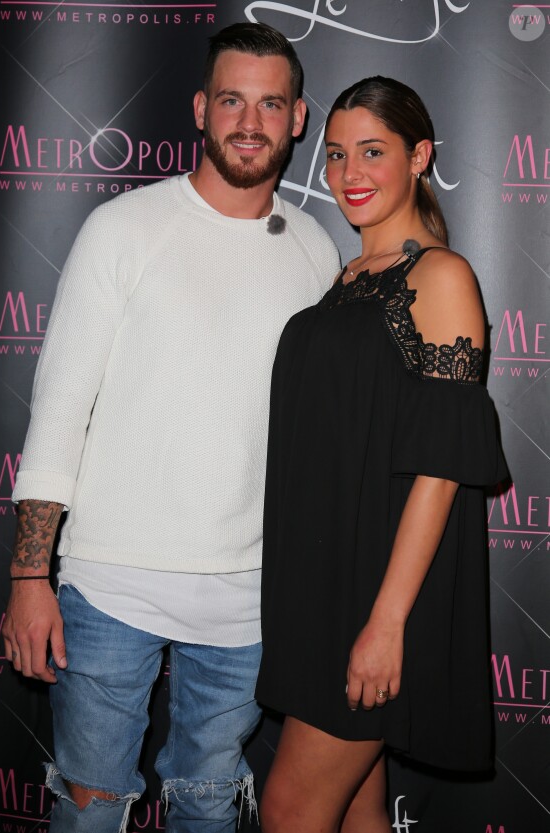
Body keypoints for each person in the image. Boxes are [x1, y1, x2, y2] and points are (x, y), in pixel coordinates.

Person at [2, 21, 340, 833]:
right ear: (200, 108)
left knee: (207, 809)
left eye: (270, 103)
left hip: (250, 604)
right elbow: (60, 409)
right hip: (111, 586)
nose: (249, 121)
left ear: (299, 120)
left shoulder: (318, 253)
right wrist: (28, 578)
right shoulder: (123, 229)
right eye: (231, 99)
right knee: (89, 810)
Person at [255, 76, 508, 832]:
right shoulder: (344, 279)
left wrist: (388, 620)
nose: (349, 173)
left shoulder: (442, 276)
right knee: (359, 808)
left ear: (420, 155)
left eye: (372, 151)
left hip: (382, 597)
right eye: (335, 155)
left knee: (290, 808)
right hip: (325, 590)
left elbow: (441, 466)